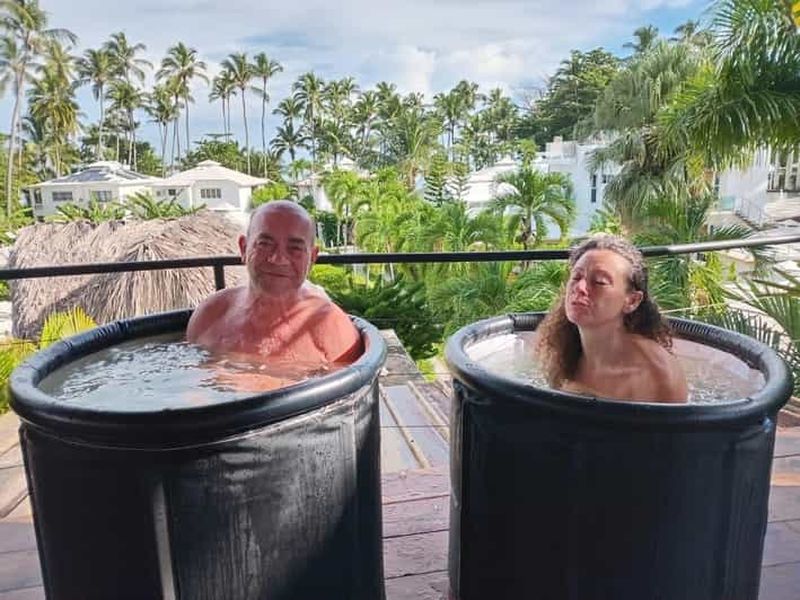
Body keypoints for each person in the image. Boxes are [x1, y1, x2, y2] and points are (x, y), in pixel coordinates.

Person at [186, 201, 362, 388]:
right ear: (244, 248)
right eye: (265, 244)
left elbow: (350, 398)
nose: (278, 258)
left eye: (295, 248)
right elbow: (191, 386)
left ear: (312, 257)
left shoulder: (332, 329)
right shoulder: (210, 314)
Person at [536, 234, 688, 403]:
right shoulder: (559, 352)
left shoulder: (658, 375)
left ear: (632, 301)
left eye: (599, 282)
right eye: (576, 277)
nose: (580, 287)